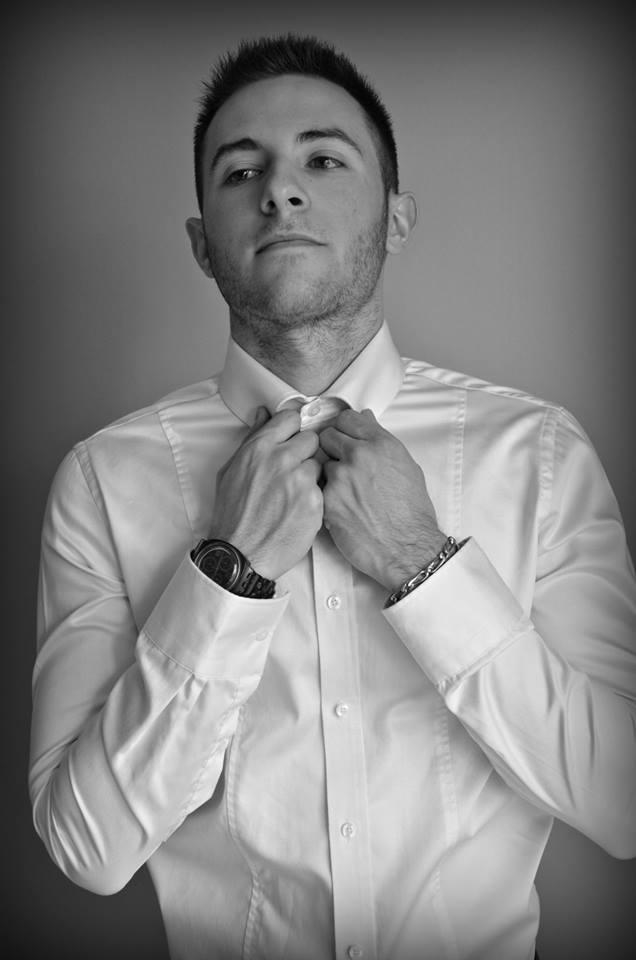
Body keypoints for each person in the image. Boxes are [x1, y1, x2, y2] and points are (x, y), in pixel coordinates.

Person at [30, 33, 636, 960]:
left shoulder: (540, 454)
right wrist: (226, 575)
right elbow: (87, 848)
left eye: (322, 159)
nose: (279, 190)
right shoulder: (102, 481)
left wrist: (425, 567)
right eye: (242, 171)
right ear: (201, 245)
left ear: (397, 218)